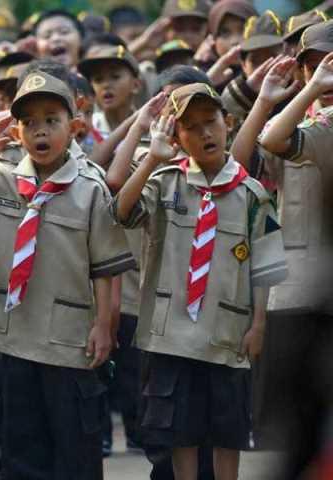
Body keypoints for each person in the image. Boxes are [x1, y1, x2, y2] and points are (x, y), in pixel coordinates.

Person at [0, 70, 136, 479]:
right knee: (16, 451)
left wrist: (103, 324)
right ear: (16, 130)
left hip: (66, 341)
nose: (40, 131)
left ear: (75, 127)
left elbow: (104, 266)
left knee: (74, 450)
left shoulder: (90, 189)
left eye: (51, 120)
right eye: (29, 122)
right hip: (5, 338)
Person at [113, 83, 288, 480]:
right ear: (177, 138)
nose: (204, 133)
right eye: (190, 127)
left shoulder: (252, 194)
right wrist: (150, 160)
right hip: (170, 333)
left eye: (211, 122)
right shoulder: (164, 182)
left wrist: (259, 323)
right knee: (180, 429)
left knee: (228, 429)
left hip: (226, 332)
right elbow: (122, 213)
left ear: (228, 123)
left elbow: (266, 264)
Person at [258, 26, 333, 477]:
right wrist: (308, 91)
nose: (325, 71)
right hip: (297, 286)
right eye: (314, 63)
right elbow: (265, 142)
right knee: (295, 422)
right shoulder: (310, 123)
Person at [78, 45, 142, 141]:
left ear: (136, 85)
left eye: (115, 77)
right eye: (98, 79)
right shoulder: (86, 129)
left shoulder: (150, 127)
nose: (106, 85)